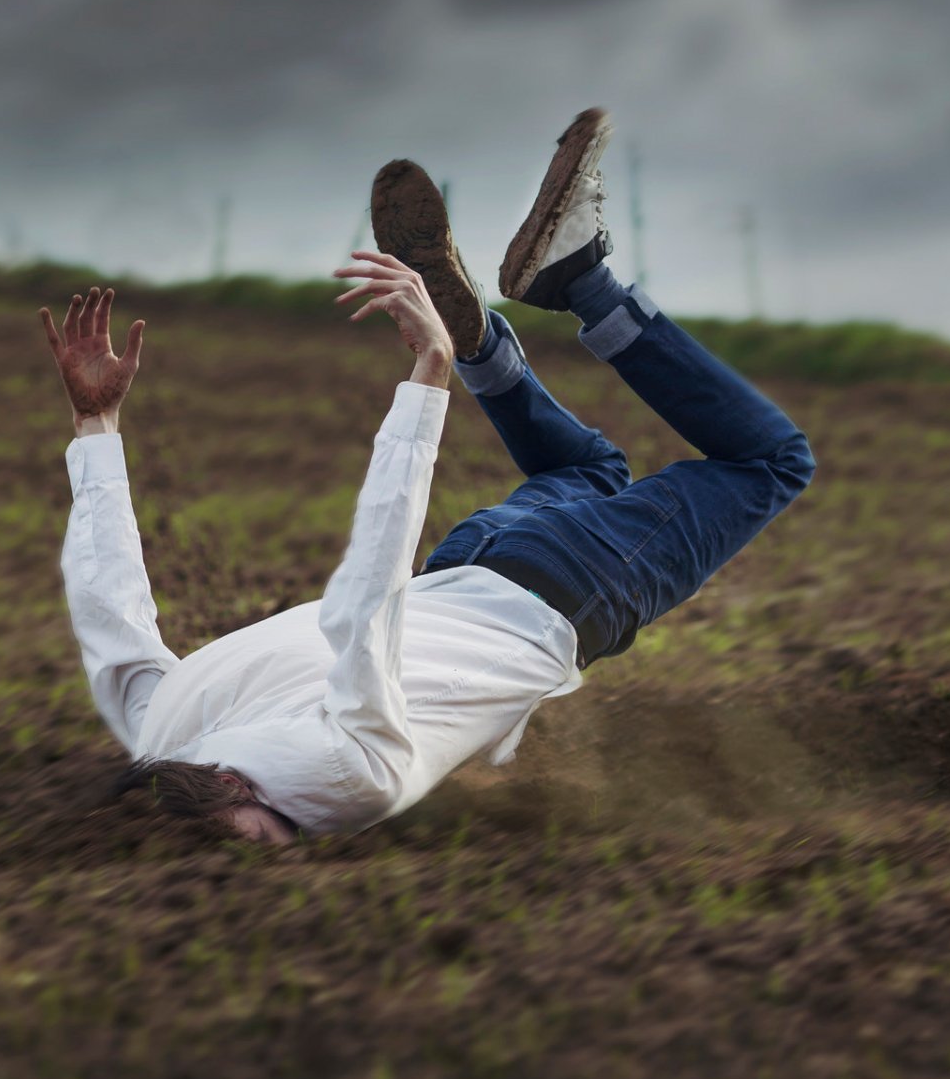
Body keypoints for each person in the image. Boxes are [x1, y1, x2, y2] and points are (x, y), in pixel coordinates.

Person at [43, 109, 814, 842]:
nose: (251, 854)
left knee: (771, 462)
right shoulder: (160, 731)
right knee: (590, 469)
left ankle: (581, 281)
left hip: (560, 589)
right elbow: (109, 614)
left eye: (242, 840)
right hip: (468, 561)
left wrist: (427, 377)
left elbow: (371, 591)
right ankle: (488, 353)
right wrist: (95, 428)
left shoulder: (344, 780)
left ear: (237, 789)